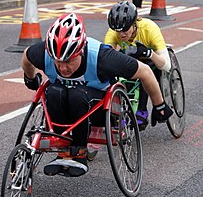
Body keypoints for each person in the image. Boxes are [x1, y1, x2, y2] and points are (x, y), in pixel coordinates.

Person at [22, 13, 173, 177]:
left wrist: (159, 105)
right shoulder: (44, 53)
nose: (63, 68)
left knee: (76, 95)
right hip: (63, 107)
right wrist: (29, 78)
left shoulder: (102, 57)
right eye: (58, 62)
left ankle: (79, 153)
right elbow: (26, 56)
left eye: (69, 62)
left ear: (80, 51)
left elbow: (145, 71)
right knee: (52, 91)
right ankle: (63, 149)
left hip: (100, 109)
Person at [104, 1, 171, 130]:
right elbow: (107, 60)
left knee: (147, 68)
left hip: (152, 61)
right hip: (131, 60)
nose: (121, 34)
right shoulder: (113, 33)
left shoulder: (149, 28)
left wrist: (149, 53)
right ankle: (121, 112)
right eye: (118, 31)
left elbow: (166, 65)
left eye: (125, 30)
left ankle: (145, 109)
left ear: (134, 24)